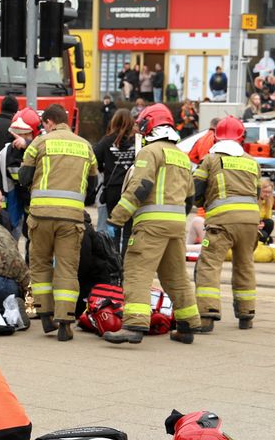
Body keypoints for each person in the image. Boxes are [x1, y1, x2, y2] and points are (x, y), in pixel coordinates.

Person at [104, 104, 200, 345]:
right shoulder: (181, 156)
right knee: (176, 276)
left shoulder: (150, 152)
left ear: (150, 125)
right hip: (176, 225)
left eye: (141, 124)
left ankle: (134, 325)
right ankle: (188, 325)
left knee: (137, 271)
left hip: (151, 226)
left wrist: (117, 218)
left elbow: (141, 186)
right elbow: (190, 197)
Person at [19, 104, 97, 342]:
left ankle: (45, 315)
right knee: (66, 268)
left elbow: (24, 177)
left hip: (41, 216)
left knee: (40, 264)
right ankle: (65, 321)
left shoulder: (39, 144)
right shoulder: (86, 146)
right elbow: (93, 187)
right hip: (71, 218)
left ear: (49, 122)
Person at [192, 116, 260, 331]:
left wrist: (204, 203)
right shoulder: (251, 161)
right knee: (245, 265)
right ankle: (246, 315)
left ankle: (207, 315)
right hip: (250, 222)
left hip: (222, 222)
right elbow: (256, 193)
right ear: (241, 137)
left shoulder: (210, 160)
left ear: (216, 136)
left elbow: (196, 191)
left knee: (209, 265)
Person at [94, 108, 137, 235]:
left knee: (113, 226)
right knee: (129, 229)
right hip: (132, 189)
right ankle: (125, 254)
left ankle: (113, 253)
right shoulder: (137, 141)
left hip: (112, 188)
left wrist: (104, 170)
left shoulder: (107, 141)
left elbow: (94, 157)